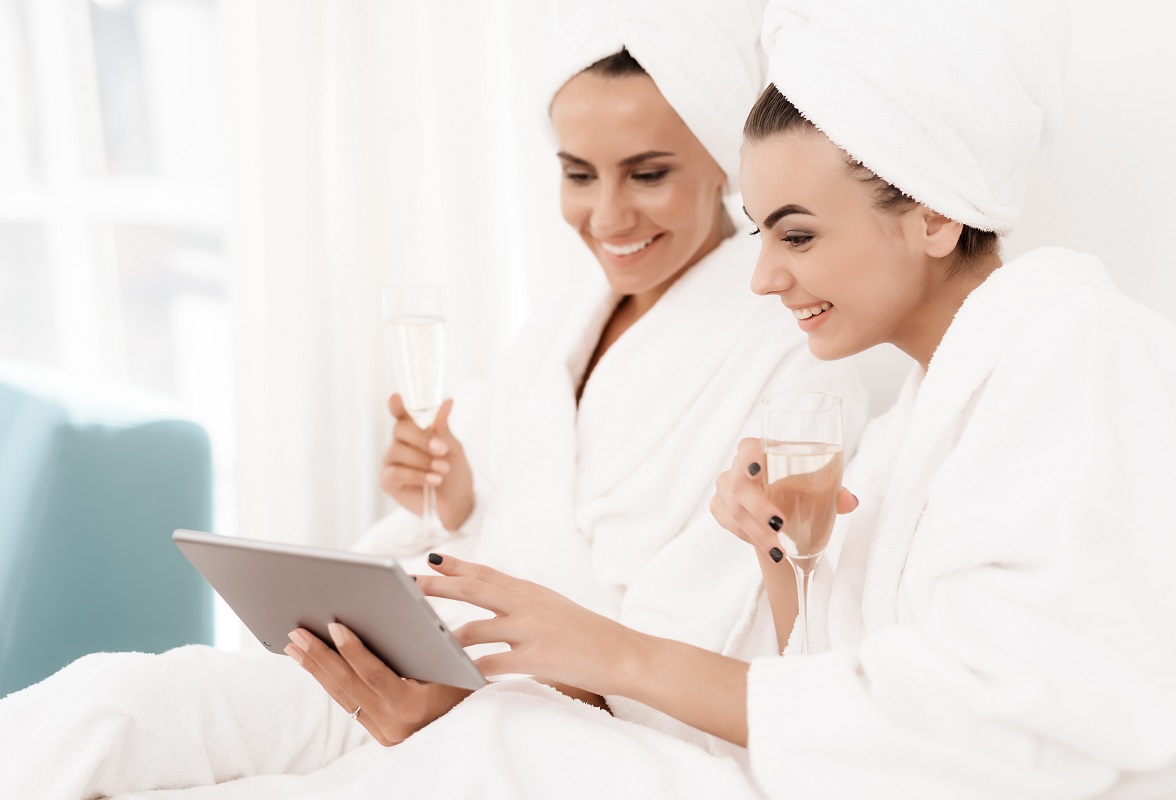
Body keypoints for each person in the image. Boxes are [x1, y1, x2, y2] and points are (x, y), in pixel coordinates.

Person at [293, 0, 1176, 797]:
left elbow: (1002, 732)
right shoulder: (907, 427)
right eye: (763, 233)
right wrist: (777, 557)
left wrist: (610, 652)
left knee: (498, 744)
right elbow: (838, 696)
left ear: (936, 213)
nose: (763, 278)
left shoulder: (1076, 349)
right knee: (495, 740)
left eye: (797, 235)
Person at [0, 2, 867, 797]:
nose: (607, 217)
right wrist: (454, 496)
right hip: (434, 655)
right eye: (577, 174)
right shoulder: (564, 325)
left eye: (647, 174)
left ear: (722, 155)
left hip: (555, 721)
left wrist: (469, 699)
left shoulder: (790, 353)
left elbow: (718, 656)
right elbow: (493, 522)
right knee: (116, 702)